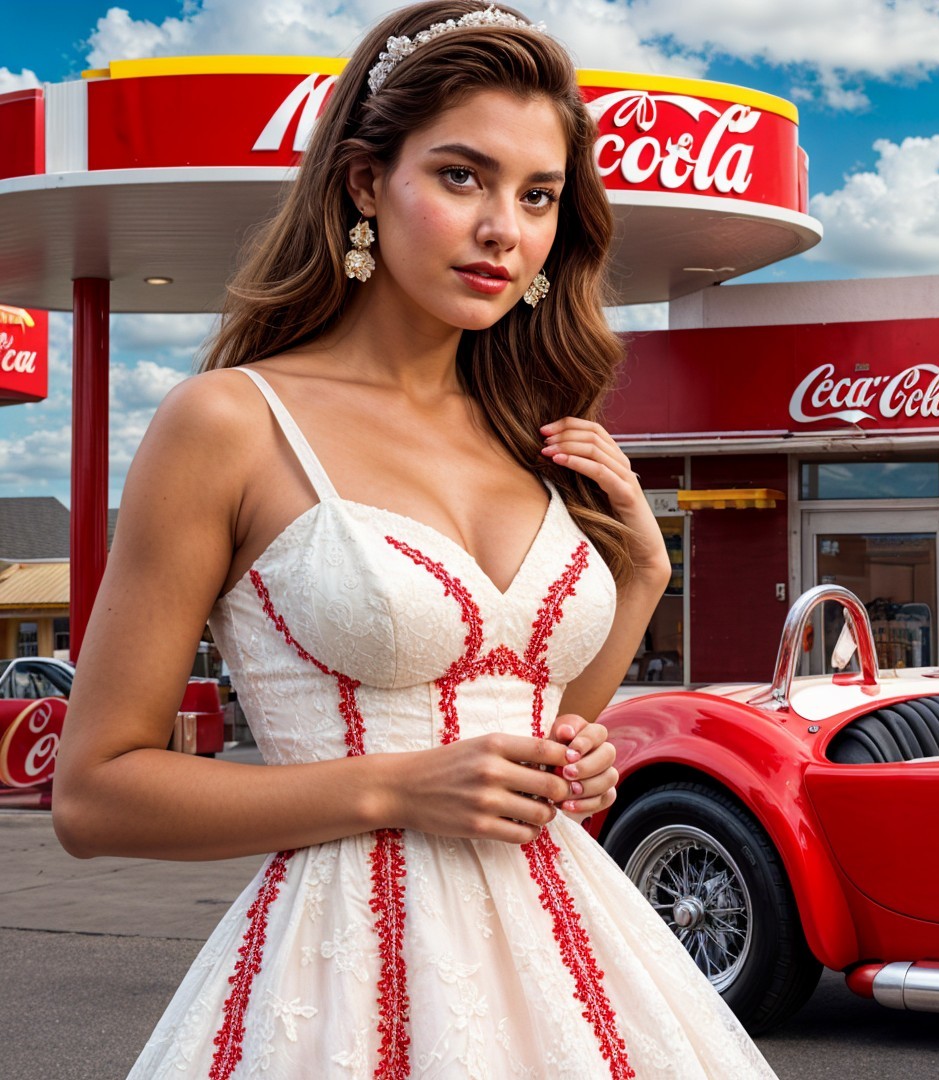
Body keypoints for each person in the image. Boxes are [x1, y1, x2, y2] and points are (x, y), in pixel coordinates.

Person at [51, 4, 778, 1076]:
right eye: (461, 177)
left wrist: (639, 585)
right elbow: (93, 792)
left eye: (538, 197)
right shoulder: (230, 423)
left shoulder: (534, 434)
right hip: (344, 980)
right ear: (362, 183)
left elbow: (539, 741)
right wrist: (396, 787)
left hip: (581, 966)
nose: (504, 230)